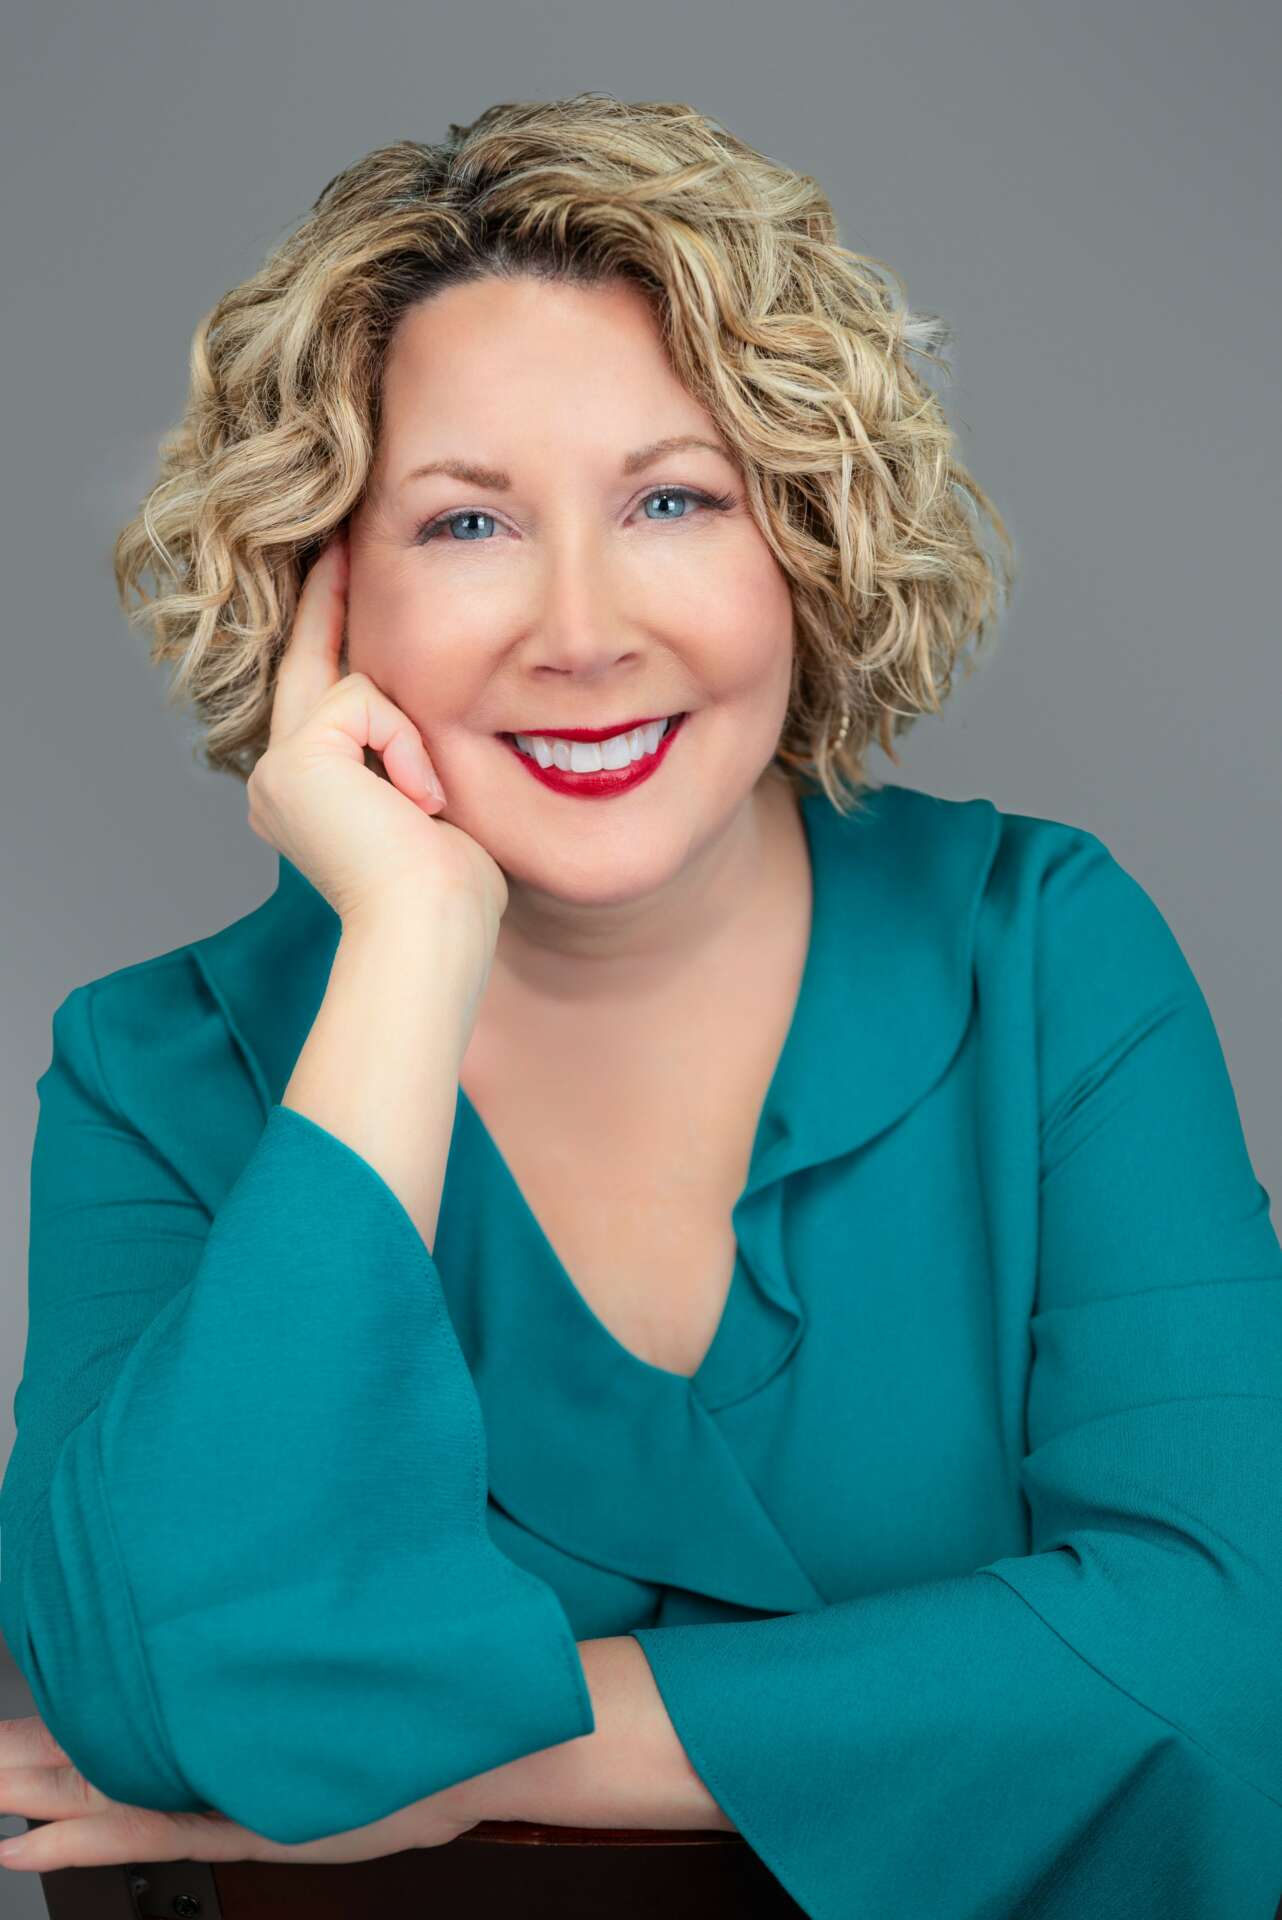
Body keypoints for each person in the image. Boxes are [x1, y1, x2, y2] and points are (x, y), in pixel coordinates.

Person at [2, 93, 1280, 1918]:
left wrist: (463, 1757)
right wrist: (410, 940)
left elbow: (1226, 1649)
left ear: (807, 538)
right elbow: (166, 1697)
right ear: (318, 592)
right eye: (465, 524)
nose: (582, 629)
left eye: (672, 499)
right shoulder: (158, 1071)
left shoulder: (1042, 950)